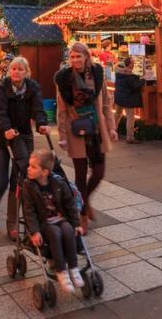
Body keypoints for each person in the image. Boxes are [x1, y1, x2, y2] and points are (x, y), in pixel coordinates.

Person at [55, 42, 116, 231]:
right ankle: (81, 215)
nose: (75, 60)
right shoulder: (64, 79)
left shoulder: (97, 74)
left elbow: (106, 102)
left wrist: (112, 126)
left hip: (97, 129)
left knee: (99, 172)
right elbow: (61, 109)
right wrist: (62, 135)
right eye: (72, 57)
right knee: (80, 174)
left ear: (86, 57)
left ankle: (84, 199)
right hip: (76, 130)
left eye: (78, 57)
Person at [0, 56, 48, 239]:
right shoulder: (2, 88)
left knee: (19, 181)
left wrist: (41, 123)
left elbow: (38, 109)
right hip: (1, 139)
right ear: (9, 71)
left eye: (20, 69)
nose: (16, 72)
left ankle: (11, 224)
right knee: (1, 181)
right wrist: (6, 129)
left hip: (22, 137)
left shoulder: (33, 88)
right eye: (13, 69)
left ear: (26, 72)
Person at [21, 148, 85, 295]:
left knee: (69, 230)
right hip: (44, 223)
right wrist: (35, 231)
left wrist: (76, 224)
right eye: (29, 166)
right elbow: (29, 211)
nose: (28, 169)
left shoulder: (58, 183)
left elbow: (70, 204)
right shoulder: (28, 186)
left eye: (33, 167)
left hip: (61, 218)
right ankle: (61, 271)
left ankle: (74, 268)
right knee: (55, 233)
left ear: (44, 172)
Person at [114, 58, 145, 144]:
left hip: (119, 96)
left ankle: (112, 131)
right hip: (127, 98)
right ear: (130, 64)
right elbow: (135, 86)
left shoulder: (119, 73)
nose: (134, 64)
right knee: (130, 117)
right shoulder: (128, 75)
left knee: (117, 114)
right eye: (133, 63)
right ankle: (130, 137)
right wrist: (143, 80)